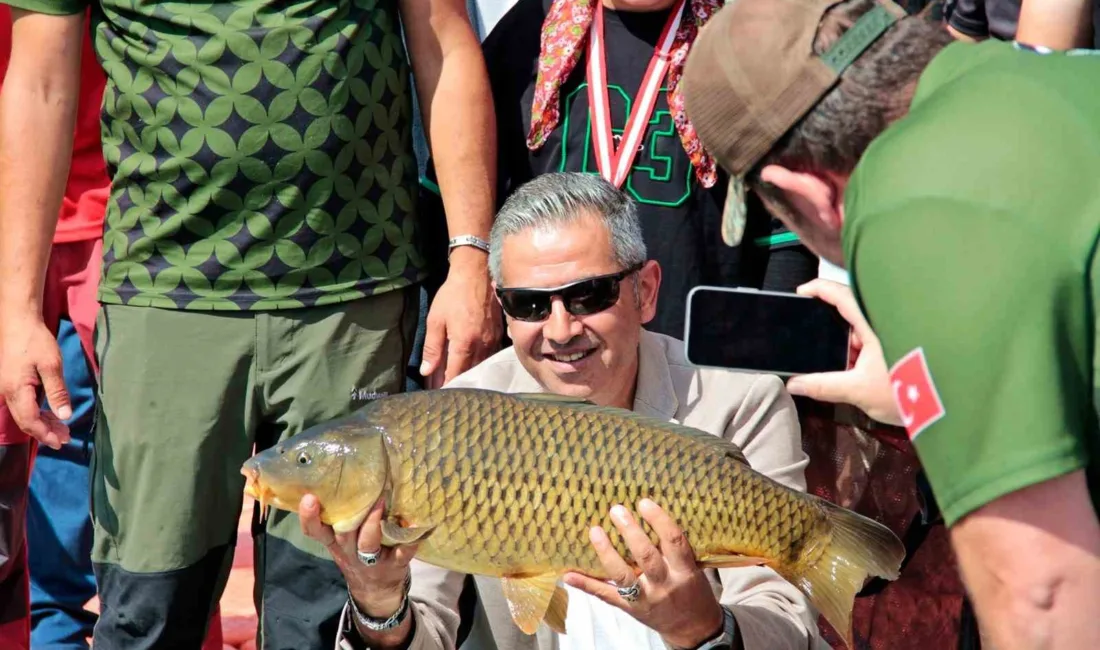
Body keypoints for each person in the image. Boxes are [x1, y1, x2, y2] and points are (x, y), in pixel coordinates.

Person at [0, 2, 500, 649]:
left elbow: (444, 41)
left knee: (328, 609)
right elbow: (39, 78)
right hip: (167, 289)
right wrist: (15, 310)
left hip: (351, 295)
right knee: (148, 605)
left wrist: (471, 256)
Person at [681, 1, 1100, 648]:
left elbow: (1041, 598)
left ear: (807, 191)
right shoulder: (1049, 77)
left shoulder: (911, 207)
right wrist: (930, 395)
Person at [300, 172, 824, 650]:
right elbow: (429, 628)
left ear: (644, 292)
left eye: (588, 295)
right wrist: (379, 606)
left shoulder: (739, 397)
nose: (560, 330)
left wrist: (704, 629)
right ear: (503, 314)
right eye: (528, 304)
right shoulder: (453, 421)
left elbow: (787, 625)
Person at [418, 0, 812, 342]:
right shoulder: (527, 39)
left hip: (696, 367)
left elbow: (788, 234)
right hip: (549, 357)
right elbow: (453, 210)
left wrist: (769, 366)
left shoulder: (746, 50)